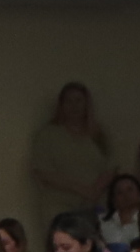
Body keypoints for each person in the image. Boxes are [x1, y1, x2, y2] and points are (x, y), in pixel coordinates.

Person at [31, 80, 114, 218]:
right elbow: (43, 171)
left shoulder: (98, 133)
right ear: (61, 105)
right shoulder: (48, 134)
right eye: (69, 101)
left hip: (96, 203)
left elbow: (111, 165)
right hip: (60, 205)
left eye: (78, 100)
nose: (74, 106)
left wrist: (94, 192)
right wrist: (82, 189)